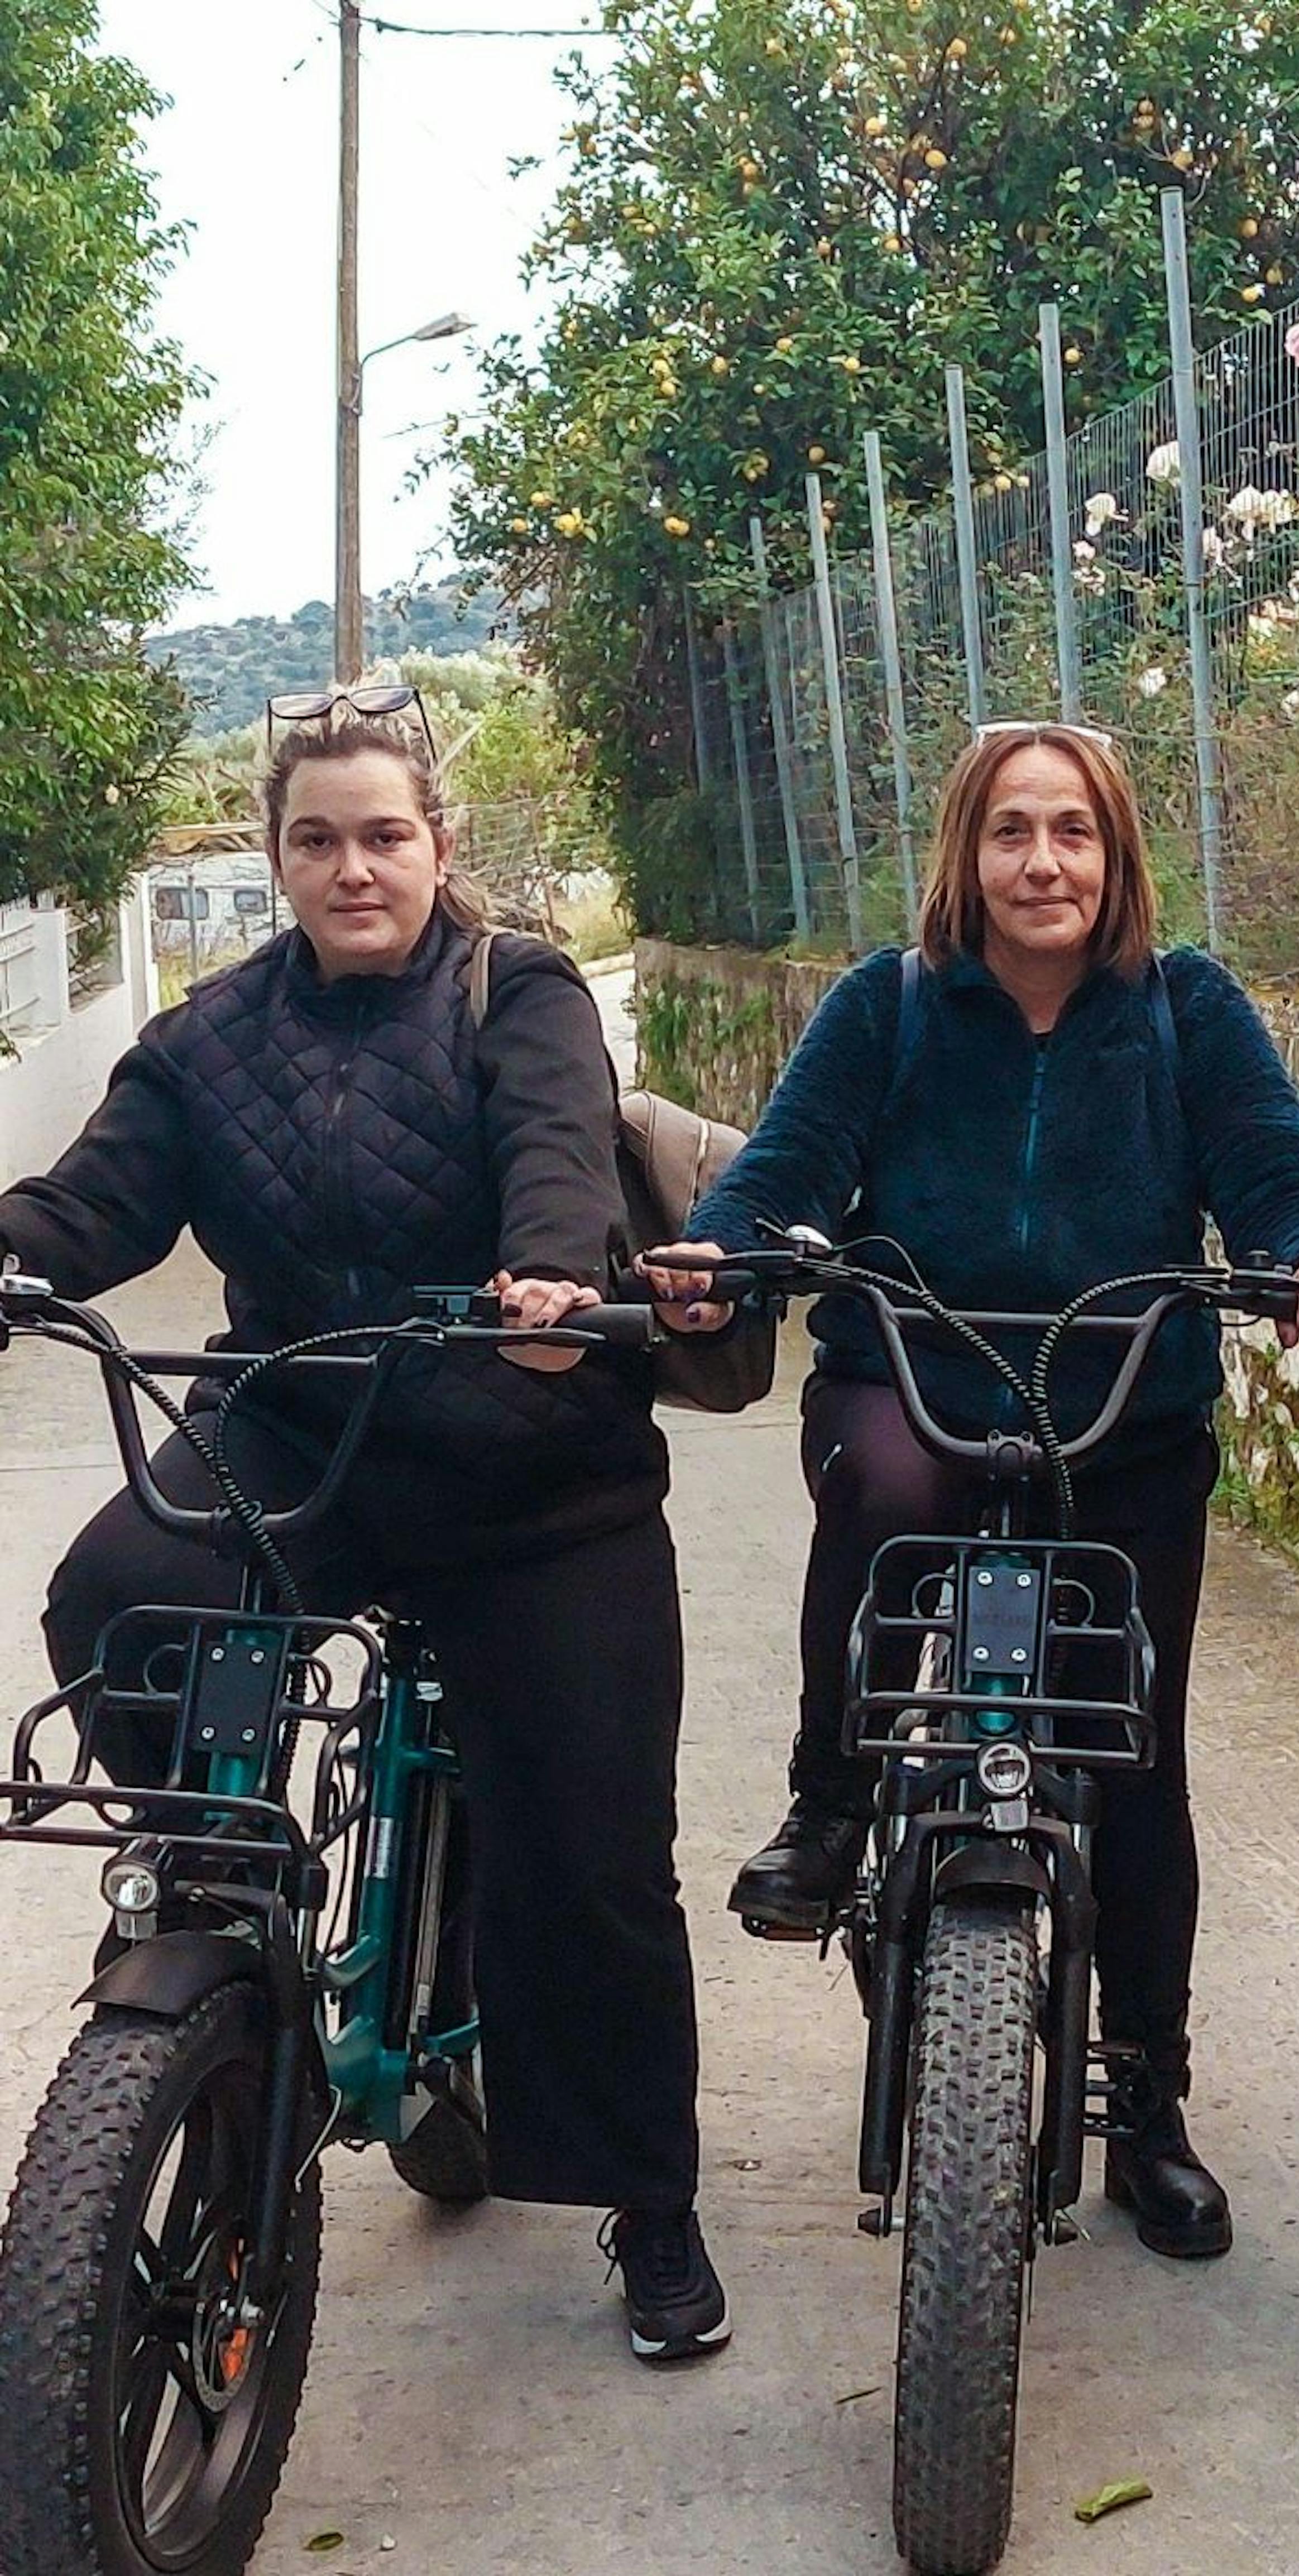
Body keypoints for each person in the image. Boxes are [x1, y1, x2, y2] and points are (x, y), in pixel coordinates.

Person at [0, 697, 728, 2365]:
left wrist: (561, 1278)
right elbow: (96, 1201)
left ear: (439, 846)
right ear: (274, 860)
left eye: (384, 835)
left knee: (594, 1852)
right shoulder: (207, 1040)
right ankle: (231, 1892)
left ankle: (646, 2194)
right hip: (304, 1428)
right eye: (317, 840)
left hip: (531, 1462)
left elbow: (557, 1148)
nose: (353, 867)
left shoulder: (519, 991)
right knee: (122, 1591)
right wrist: (10, 1258)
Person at [646, 719, 1299, 2258]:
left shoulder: (1187, 1010)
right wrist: (726, 1252)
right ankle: (831, 1798)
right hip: (913, 1376)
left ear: (1117, 859)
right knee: (887, 1497)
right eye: (1011, 832)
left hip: (1124, 1415)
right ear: (965, 856)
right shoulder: (890, 1005)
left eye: (1074, 834)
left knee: (1134, 1766)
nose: (1042, 863)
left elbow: (1272, 1167)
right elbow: (785, 1168)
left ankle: (1151, 2110)